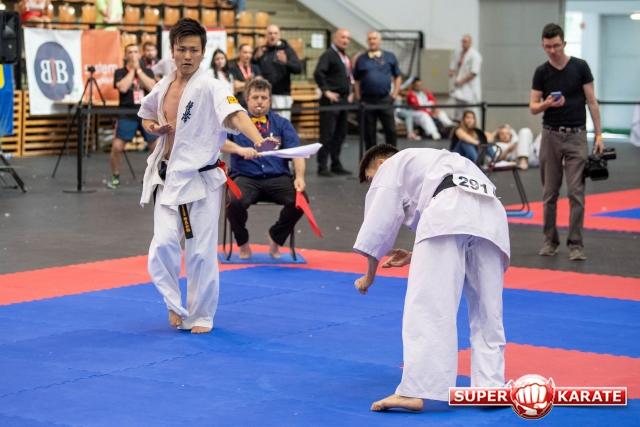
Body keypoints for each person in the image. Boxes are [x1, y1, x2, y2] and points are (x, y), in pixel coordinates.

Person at [138, 18, 277, 333]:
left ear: (203, 52)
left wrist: (258, 140)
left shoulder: (213, 86)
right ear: (172, 50)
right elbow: (146, 115)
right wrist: (154, 128)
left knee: (200, 251)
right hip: (167, 178)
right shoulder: (163, 86)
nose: (187, 56)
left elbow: (236, 114)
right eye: (181, 49)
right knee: (163, 245)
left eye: (193, 50)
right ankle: (174, 303)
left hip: (201, 181)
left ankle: (200, 315)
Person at [353, 144, 509, 412]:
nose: (372, 184)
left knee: (428, 304)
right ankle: (491, 388)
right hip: (491, 215)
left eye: (370, 178)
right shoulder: (438, 160)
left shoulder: (392, 165)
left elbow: (378, 225)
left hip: (448, 210)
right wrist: (415, 254)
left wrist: (369, 276)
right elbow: (460, 223)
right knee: (488, 310)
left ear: (380, 163)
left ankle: (415, 391)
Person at [530, 23, 603, 261]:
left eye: (556, 45)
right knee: (549, 193)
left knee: (576, 193)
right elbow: (533, 107)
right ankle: (550, 241)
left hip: (576, 135)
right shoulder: (541, 72)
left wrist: (599, 135)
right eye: (547, 47)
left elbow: (592, 101)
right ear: (543, 46)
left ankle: (576, 244)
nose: (552, 50)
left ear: (564, 43)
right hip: (550, 135)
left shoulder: (580, 67)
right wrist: (546, 104)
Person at [222, 79, 307, 259]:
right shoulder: (235, 122)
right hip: (246, 177)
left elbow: (298, 153)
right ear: (247, 100)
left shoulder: (282, 124)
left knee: (301, 201)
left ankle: (276, 237)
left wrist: (300, 177)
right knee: (233, 202)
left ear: (270, 100)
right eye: (255, 97)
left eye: (264, 98)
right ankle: (243, 243)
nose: (259, 101)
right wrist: (238, 149)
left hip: (278, 177)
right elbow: (218, 142)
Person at [107, 44, 157, 189]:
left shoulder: (147, 71)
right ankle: (115, 177)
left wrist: (139, 70)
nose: (133, 54)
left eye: (136, 52)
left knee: (155, 146)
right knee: (117, 147)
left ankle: (150, 176)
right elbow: (123, 87)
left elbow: (151, 87)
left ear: (139, 54)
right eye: (130, 52)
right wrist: (132, 70)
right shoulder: (120, 72)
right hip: (126, 113)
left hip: (146, 113)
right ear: (126, 55)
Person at [313, 28, 354, 177]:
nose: (345, 40)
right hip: (331, 101)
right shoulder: (329, 55)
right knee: (327, 134)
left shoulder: (344, 56)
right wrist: (326, 91)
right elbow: (318, 73)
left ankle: (336, 164)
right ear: (335, 38)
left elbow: (348, 76)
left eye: (348, 38)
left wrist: (350, 92)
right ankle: (322, 166)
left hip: (343, 100)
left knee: (340, 134)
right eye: (342, 37)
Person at [354, 31, 402, 150]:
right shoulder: (361, 59)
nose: (372, 41)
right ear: (367, 41)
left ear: (380, 40)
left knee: (390, 131)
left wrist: (394, 95)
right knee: (369, 133)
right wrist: (359, 97)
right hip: (367, 101)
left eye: (374, 38)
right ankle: (372, 159)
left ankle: (392, 156)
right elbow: (356, 80)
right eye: (370, 39)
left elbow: (398, 76)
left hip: (385, 99)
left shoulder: (390, 57)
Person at [252, 25, 302, 121]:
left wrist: (286, 63)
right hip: (262, 95)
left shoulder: (287, 50)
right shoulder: (261, 50)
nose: (273, 36)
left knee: (280, 124)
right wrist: (255, 59)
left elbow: (298, 69)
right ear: (266, 35)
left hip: (281, 94)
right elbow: (251, 68)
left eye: (275, 33)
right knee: (263, 124)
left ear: (279, 35)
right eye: (270, 33)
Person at [449, 35, 482, 121]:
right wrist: (452, 72)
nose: (463, 44)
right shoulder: (458, 54)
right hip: (459, 88)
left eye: (465, 42)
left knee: (471, 111)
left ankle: (474, 128)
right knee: (458, 112)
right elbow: (453, 67)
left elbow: (474, 72)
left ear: (470, 42)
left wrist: (461, 81)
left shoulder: (475, 55)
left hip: (470, 88)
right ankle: (459, 126)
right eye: (462, 41)